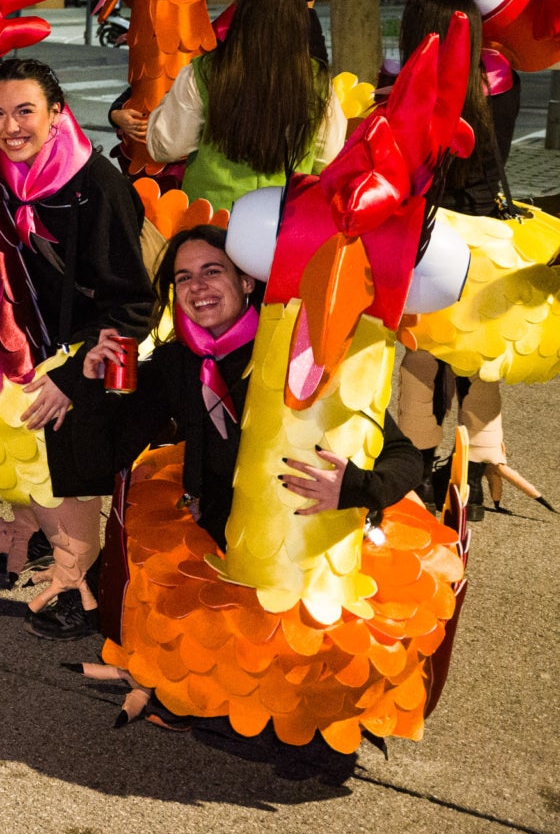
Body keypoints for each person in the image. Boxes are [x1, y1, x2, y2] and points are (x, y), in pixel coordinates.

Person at [76, 227, 430, 728]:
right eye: (184, 278)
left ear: (247, 281)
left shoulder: (297, 355)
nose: (197, 287)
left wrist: (355, 488)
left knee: (295, 654)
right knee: (143, 580)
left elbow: (404, 455)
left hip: (299, 543)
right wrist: (95, 387)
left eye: (212, 271)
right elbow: (113, 448)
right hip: (214, 527)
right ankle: (162, 681)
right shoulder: (179, 361)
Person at [0, 58, 152, 637]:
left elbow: (134, 307)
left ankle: (78, 580)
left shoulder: (97, 187)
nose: (10, 127)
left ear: (57, 113)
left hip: (100, 339)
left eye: (25, 112)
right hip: (26, 330)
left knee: (42, 417)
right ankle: (31, 528)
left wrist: (72, 376)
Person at [392, 0, 541, 510]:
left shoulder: (406, 87)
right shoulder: (502, 82)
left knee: (422, 357)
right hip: (486, 238)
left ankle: (415, 472)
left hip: (428, 237)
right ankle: (471, 480)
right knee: (479, 360)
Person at [136, 0, 346, 209]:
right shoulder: (318, 79)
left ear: (243, 10)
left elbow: (166, 147)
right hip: (283, 218)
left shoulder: (203, 71)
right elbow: (328, 157)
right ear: (301, 22)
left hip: (210, 216)